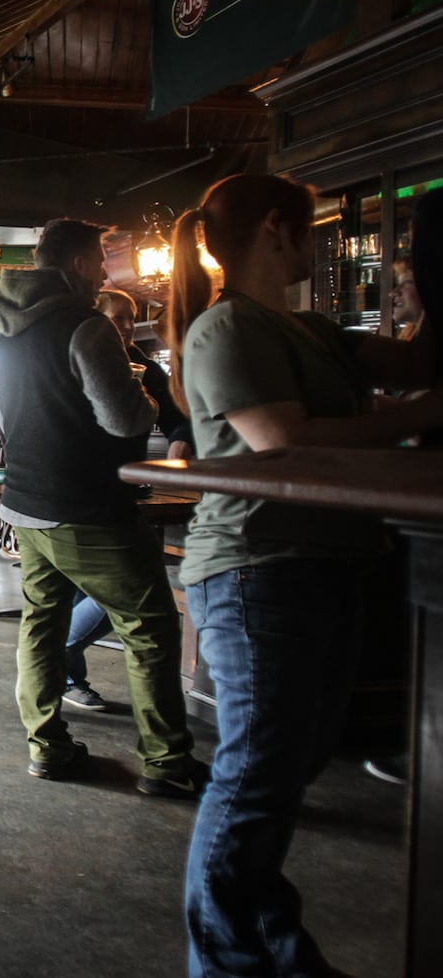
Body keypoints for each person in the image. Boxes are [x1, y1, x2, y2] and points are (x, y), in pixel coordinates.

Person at [164, 174, 443, 978]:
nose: (321, 244)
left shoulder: (314, 328)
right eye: (313, 229)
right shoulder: (226, 329)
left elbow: (419, 356)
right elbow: (279, 438)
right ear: (279, 230)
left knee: (288, 768)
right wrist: (427, 415)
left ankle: (275, 945)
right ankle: (226, 963)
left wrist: (425, 262)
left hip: (327, 563)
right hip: (258, 569)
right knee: (258, 774)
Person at [0, 218, 201, 796]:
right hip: (84, 506)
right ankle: (165, 761)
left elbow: (16, 420)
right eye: (101, 260)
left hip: (25, 503)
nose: (107, 271)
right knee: (151, 626)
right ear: (80, 264)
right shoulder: (86, 327)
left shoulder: (6, 333)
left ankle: (48, 746)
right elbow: (123, 419)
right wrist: (150, 399)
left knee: (41, 622)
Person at [61, 287, 194, 712]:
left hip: (126, 488)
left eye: (129, 317)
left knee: (107, 584)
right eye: (116, 316)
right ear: (96, 317)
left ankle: (60, 667)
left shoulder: (145, 367)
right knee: (120, 584)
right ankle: (61, 662)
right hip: (80, 489)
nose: (124, 325)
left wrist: (180, 441)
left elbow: (178, 420)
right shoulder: (77, 356)